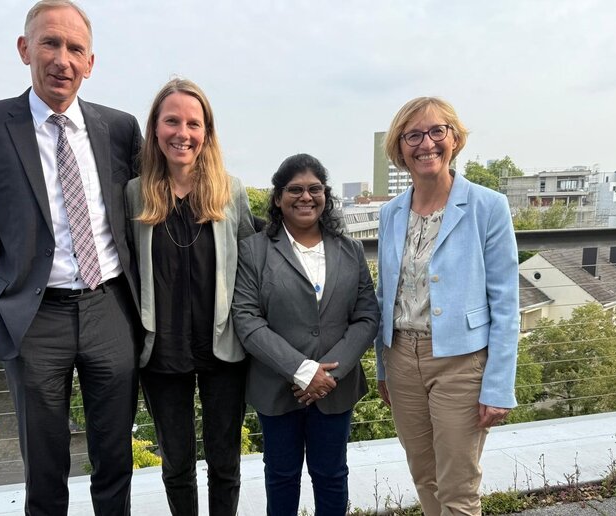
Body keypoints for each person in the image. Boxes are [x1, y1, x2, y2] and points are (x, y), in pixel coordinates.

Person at [0, 2, 142, 514]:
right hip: (33, 319)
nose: (62, 59)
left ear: (91, 62)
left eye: (75, 48)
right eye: (50, 43)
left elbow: (152, 210)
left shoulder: (119, 129)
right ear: (24, 49)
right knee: (45, 466)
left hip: (111, 310)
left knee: (115, 457)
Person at [375, 97, 519, 516]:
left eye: (438, 131)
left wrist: (498, 385)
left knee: (458, 486)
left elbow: (506, 303)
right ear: (400, 148)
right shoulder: (390, 213)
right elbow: (387, 296)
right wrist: (384, 367)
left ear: (454, 139)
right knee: (424, 475)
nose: (427, 143)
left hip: (461, 363)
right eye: (413, 135)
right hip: (402, 359)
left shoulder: (487, 206)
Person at [125, 78, 254, 516]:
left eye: (193, 123)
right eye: (172, 121)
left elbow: (252, 266)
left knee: (225, 461)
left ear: (207, 132)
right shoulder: (135, 192)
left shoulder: (230, 191)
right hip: (161, 350)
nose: (183, 132)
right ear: (156, 129)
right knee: (176, 463)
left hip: (223, 347)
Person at [232, 153, 379, 516]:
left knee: (331, 475)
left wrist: (329, 374)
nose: (306, 197)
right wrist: (302, 370)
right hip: (277, 387)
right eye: (295, 189)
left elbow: (366, 315)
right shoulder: (254, 250)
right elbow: (247, 319)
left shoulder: (350, 249)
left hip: (335, 386)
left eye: (315, 189)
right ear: (278, 197)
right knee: (281, 476)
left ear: (326, 195)